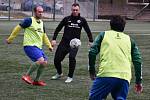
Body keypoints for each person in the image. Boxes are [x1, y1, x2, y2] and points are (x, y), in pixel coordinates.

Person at [88, 15, 143, 100]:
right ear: (123, 26)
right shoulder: (130, 40)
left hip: (106, 74)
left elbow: (92, 52)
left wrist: (92, 70)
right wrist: (138, 81)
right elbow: (138, 61)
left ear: (110, 25)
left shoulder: (103, 35)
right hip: (124, 77)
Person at [6, 6, 53, 86]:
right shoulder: (29, 20)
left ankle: (36, 81)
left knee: (44, 62)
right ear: (35, 12)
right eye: (39, 11)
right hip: (29, 46)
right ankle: (26, 76)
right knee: (41, 60)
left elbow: (44, 35)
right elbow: (17, 28)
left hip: (38, 47)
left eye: (42, 12)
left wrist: (49, 46)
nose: (41, 13)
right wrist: (10, 39)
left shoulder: (41, 23)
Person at [51, 3, 93, 83]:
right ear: (71, 10)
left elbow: (88, 31)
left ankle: (70, 76)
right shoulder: (66, 19)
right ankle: (59, 73)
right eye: (73, 10)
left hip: (74, 44)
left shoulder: (82, 20)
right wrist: (54, 39)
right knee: (56, 60)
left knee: (72, 58)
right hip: (64, 42)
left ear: (79, 10)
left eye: (76, 10)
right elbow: (58, 29)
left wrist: (91, 41)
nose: (75, 11)